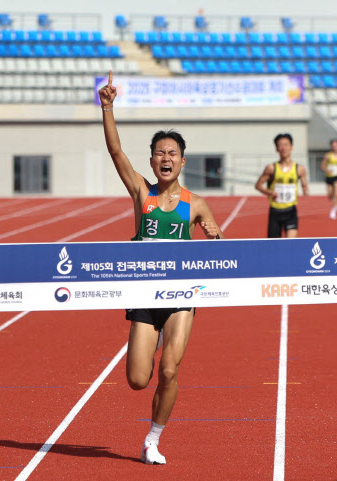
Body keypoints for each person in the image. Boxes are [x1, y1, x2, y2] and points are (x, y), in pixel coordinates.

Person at [98, 71, 224, 465]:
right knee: (138, 379)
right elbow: (117, 153)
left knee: (169, 369)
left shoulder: (196, 203)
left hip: (181, 296)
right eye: (159, 153)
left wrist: (214, 233)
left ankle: (153, 438)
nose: (165, 158)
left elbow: (216, 245)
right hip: (143, 294)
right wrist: (107, 107)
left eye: (172, 153)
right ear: (152, 160)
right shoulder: (141, 192)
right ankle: (145, 343)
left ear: (182, 161)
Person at [255, 133, 309, 238]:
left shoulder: (299, 169)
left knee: (290, 243)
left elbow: (304, 184)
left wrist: (305, 188)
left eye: (286, 144)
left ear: (291, 147)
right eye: (280, 145)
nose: (284, 148)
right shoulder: (271, 168)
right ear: (276, 149)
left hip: (291, 211)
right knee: (273, 246)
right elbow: (258, 185)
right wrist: (269, 192)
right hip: (275, 211)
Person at [320, 139, 337, 219]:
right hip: (329, 176)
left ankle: (333, 211)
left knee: (336, 194)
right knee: (330, 195)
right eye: (333, 145)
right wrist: (327, 170)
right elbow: (322, 166)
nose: (334, 147)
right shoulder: (328, 155)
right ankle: (334, 201)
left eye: (335, 145)